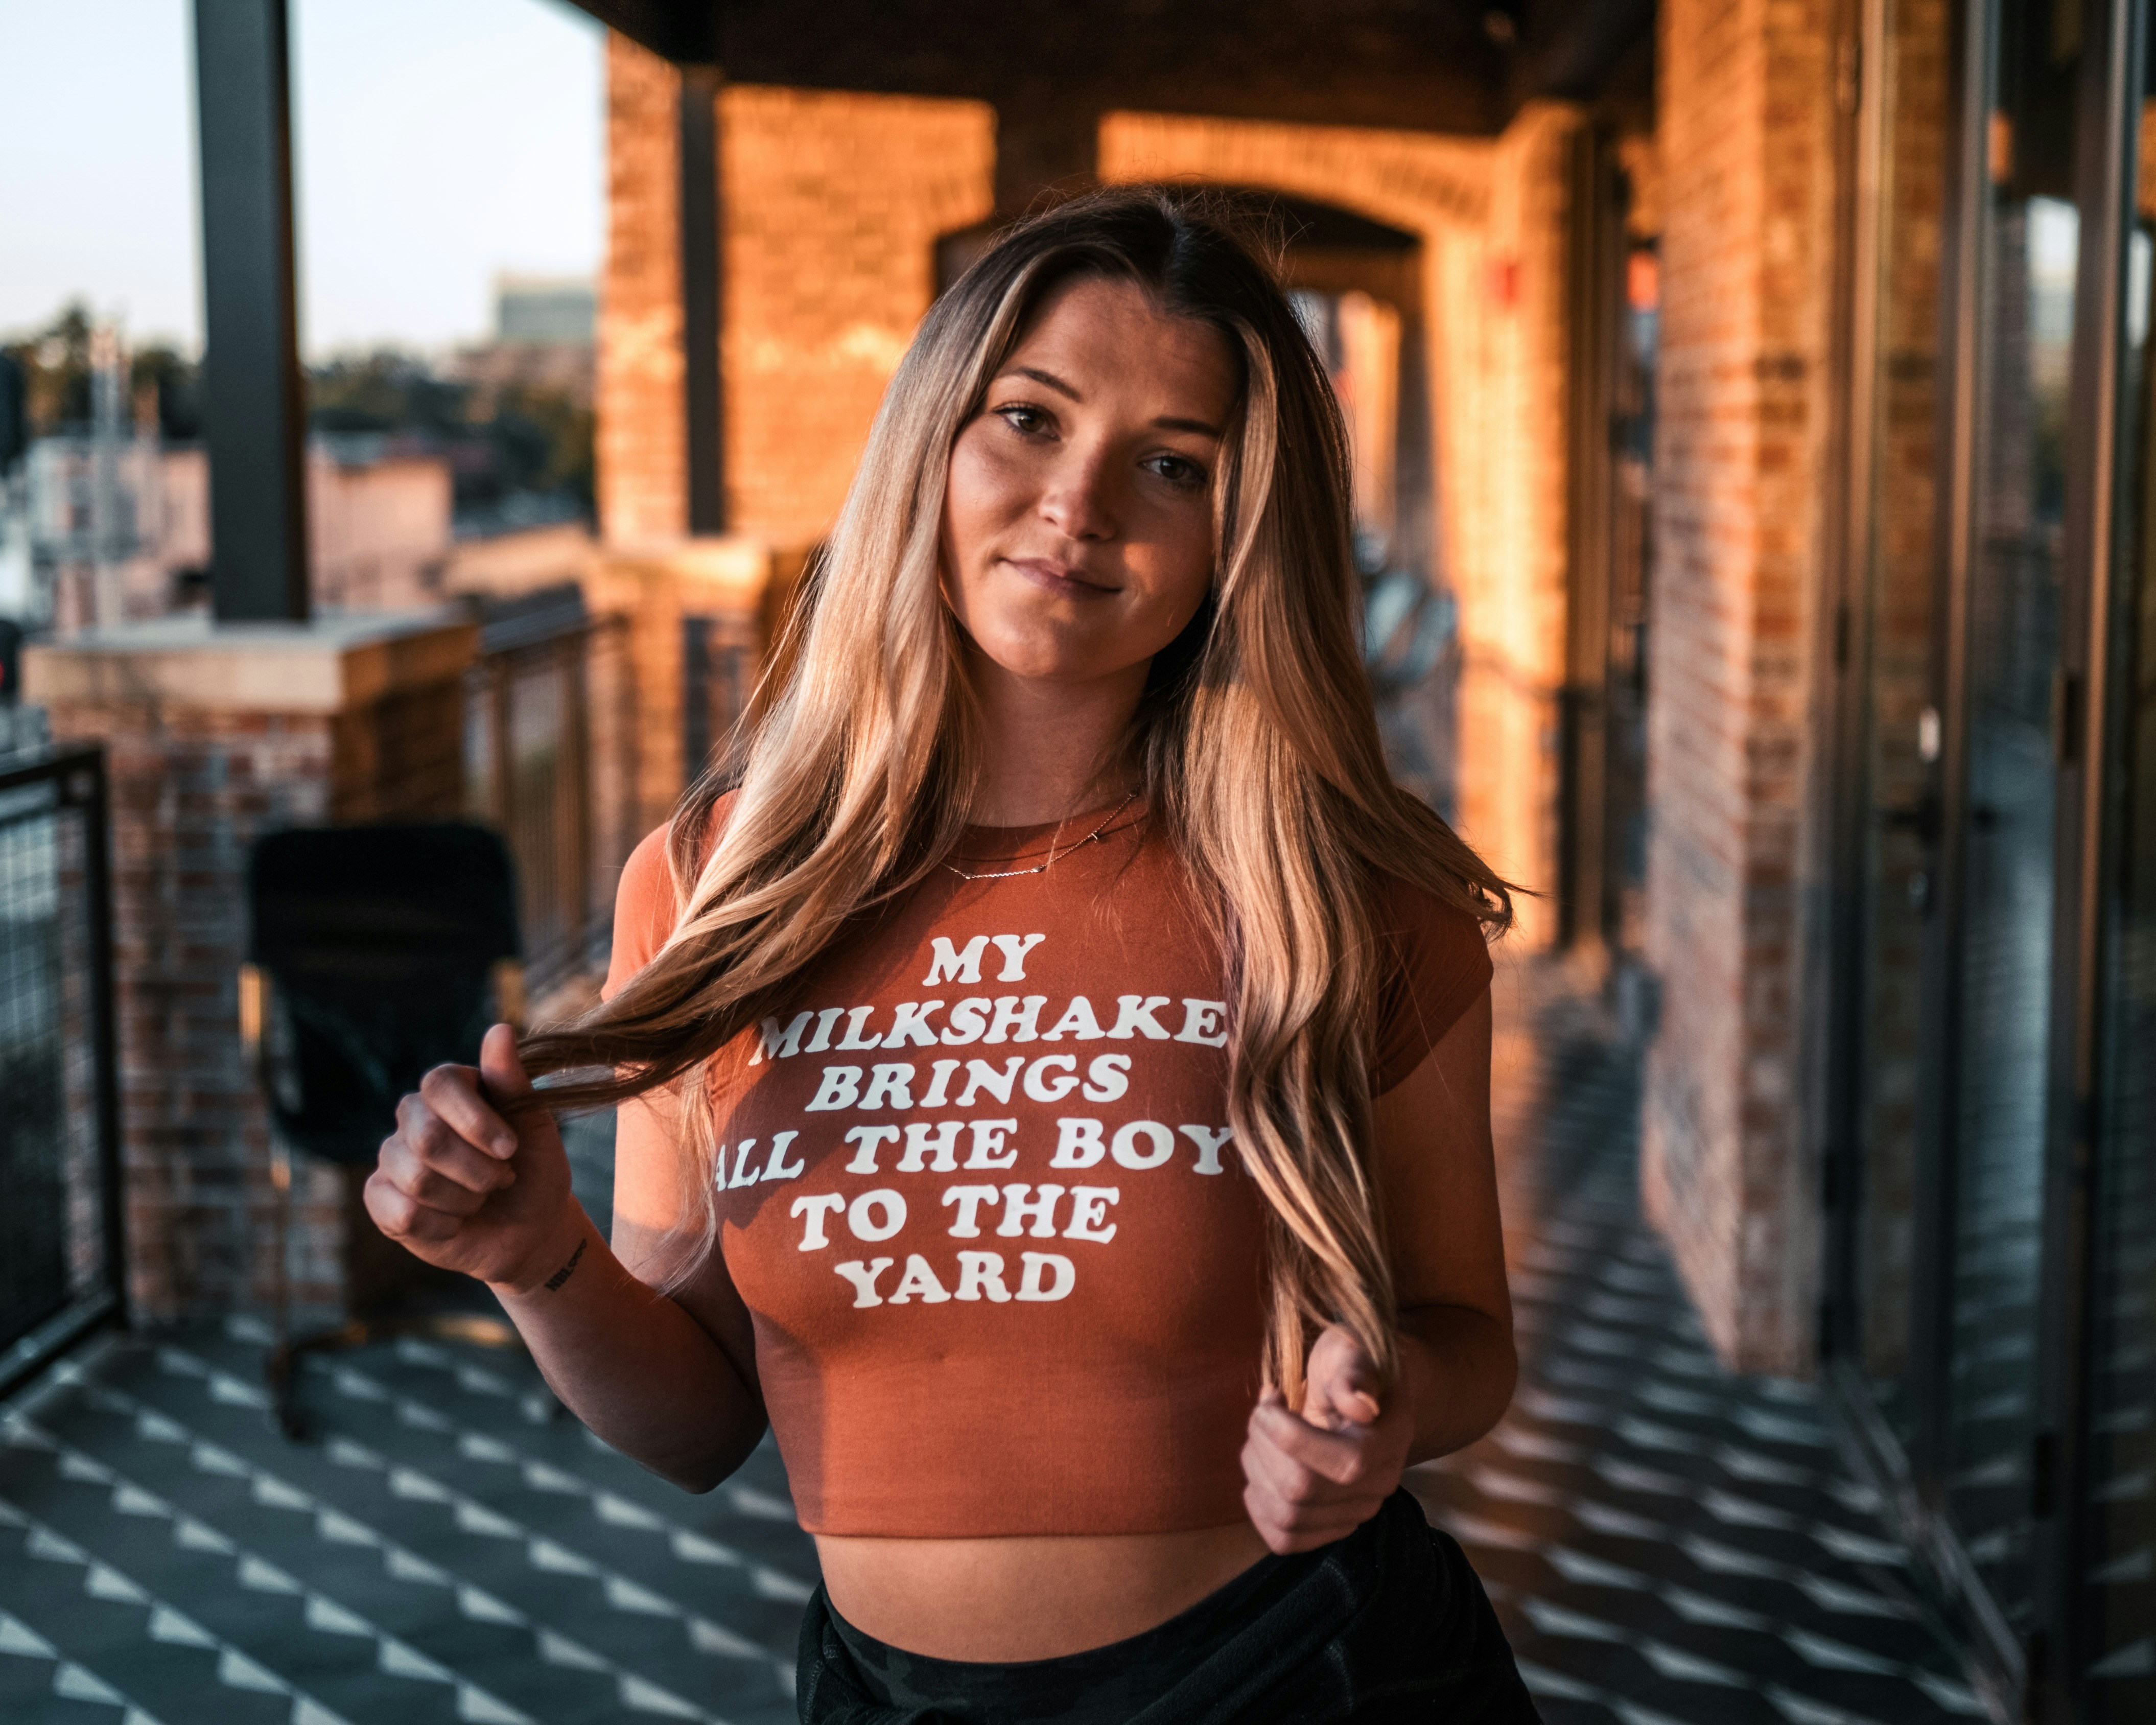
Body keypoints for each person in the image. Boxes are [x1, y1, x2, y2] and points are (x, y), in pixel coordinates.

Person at [366, 186, 1539, 1723]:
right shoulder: (720, 882)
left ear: (1232, 539)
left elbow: (1471, 1341)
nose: (1079, 504)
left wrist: (1379, 1416)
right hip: (880, 1694)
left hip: (1293, 1677)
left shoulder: (1342, 889)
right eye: (1029, 421)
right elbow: (699, 1420)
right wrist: (534, 1260)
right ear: (932, 440)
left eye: (1171, 464)